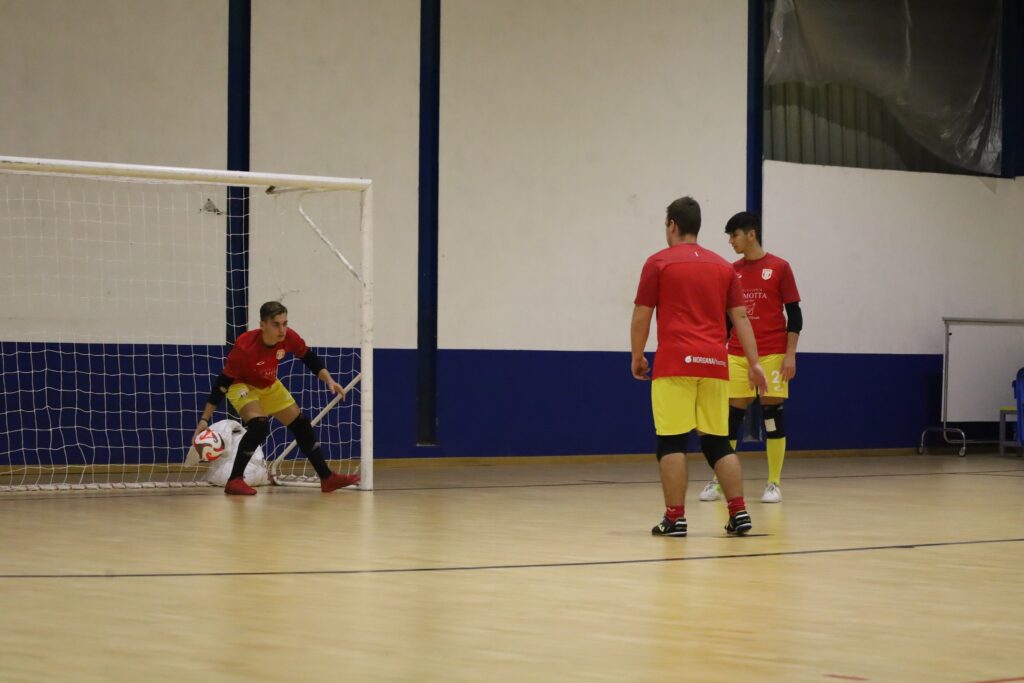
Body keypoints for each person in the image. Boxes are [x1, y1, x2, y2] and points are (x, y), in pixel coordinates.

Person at [632, 197, 768, 537]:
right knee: (717, 442)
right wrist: (754, 364)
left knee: (672, 442)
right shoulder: (724, 267)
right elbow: (740, 317)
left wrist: (636, 355)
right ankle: (739, 513)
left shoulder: (658, 263)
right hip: (714, 364)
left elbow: (642, 313)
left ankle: (675, 518)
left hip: (675, 363)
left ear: (673, 225)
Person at [194, 301, 360, 495]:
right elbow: (222, 384)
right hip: (242, 385)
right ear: (263, 325)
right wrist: (204, 419)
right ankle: (235, 480)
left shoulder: (288, 337)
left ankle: (327, 478)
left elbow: (309, 358)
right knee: (260, 425)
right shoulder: (245, 347)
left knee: (302, 425)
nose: (282, 329)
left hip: (269, 383)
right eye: (276, 324)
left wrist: (329, 380)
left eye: (285, 323)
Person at [699, 212, 801, 504]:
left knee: (772, 416)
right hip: (737, 353)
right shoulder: (732, 271)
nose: (731, 242)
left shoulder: (780, 268)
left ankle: (773, 483)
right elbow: (727, 319)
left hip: (773, 352)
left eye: (734, 235)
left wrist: (790, 355)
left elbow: (795, 315)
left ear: (751, 234)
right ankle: (718, 481)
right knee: (730, 419)